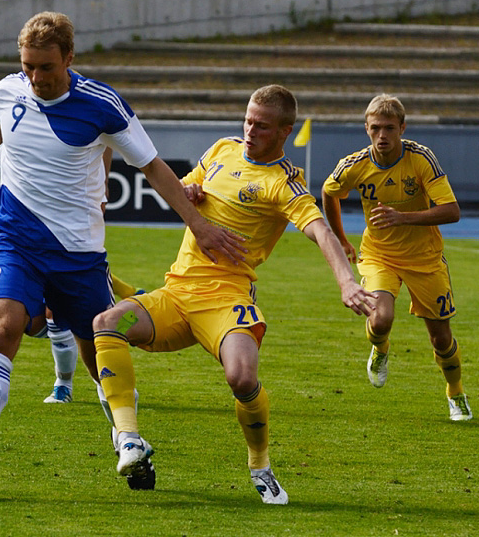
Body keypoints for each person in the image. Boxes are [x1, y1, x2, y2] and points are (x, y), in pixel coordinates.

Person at [0, 11, 246, 494]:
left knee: (95, 355)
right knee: (0, 328)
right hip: (16, 242)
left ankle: (127, 440)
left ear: (69, 57)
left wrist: (199, 225)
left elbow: (153, 166)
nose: (35, 78)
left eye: (46, 67)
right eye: (27, 67)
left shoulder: (102, 105)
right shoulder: (10, 89)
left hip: (78, 256)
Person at [92, 85, 376, 504]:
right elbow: (185, 185)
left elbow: (321, 231)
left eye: (261, 125)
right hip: (175, 296)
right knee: (108, 323)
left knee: (242, 377)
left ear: (284, 131)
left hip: (226, 302)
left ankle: (260, 465)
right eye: (247, 119)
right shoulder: (223, 149)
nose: (250, 129)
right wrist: (189, 191)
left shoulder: (283, 183)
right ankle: (130, 439)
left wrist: (347, 281)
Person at [0, 145, 147, 406]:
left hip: (72, 256)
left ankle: (89, 385)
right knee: (30, 324)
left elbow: (106, 138)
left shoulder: (73, 151)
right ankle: (67, 383)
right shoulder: (10, 148)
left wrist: (103, 180)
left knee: (88, 327)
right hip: (24, 254)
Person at [322, 94, 471, 421]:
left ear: (402, 127)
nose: (382, 136)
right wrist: (340, 238)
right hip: (379, 255)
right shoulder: (354, 165)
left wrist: (403, 217)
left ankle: (455, 391)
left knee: (441, 338)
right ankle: (380, 348)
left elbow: (453, 211)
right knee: (381, 318)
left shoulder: (421, 159)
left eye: (389, 128)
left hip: (425, 258)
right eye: (375, 128)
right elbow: (329, 192)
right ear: (366, 128)